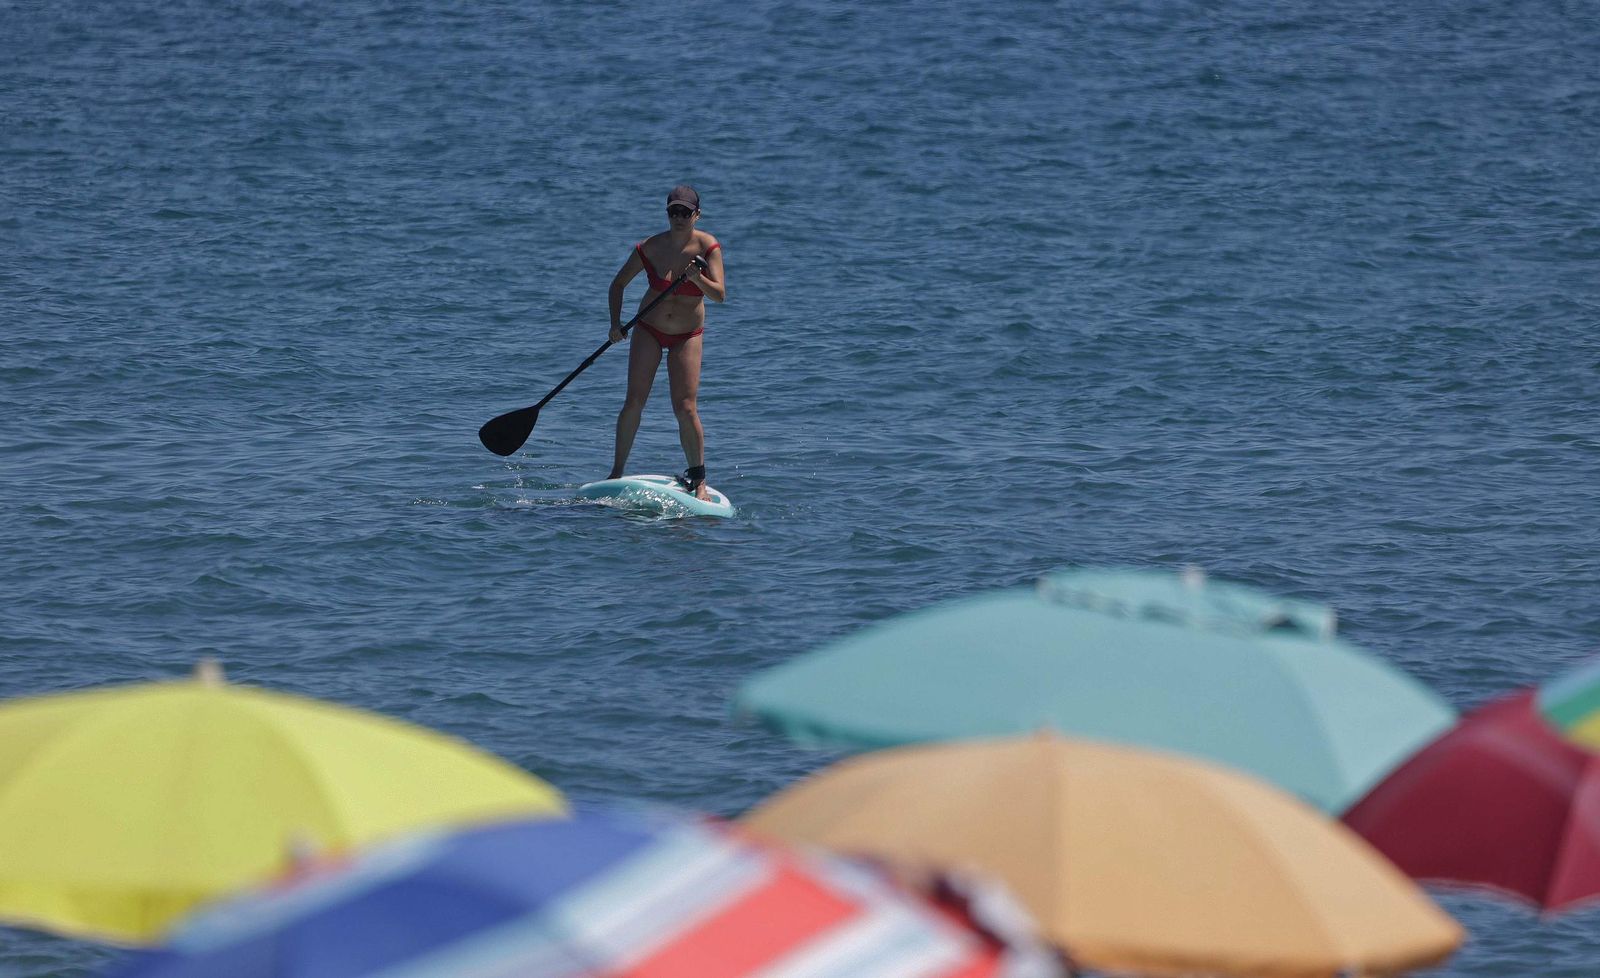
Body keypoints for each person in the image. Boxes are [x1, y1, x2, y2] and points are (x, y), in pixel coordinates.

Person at [606, 184, 726, 499]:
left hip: (687, 335)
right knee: (634, 401)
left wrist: (698, 278)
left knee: (685, 407)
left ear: (697, 214)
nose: (679, 217)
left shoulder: (708, 246)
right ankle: (616, 471)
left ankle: (698, 481)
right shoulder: (650, 247)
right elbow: (617, 284)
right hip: (648, 328)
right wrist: (615, 325)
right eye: (674, 211)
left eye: (685, 212)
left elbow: (720, 295)